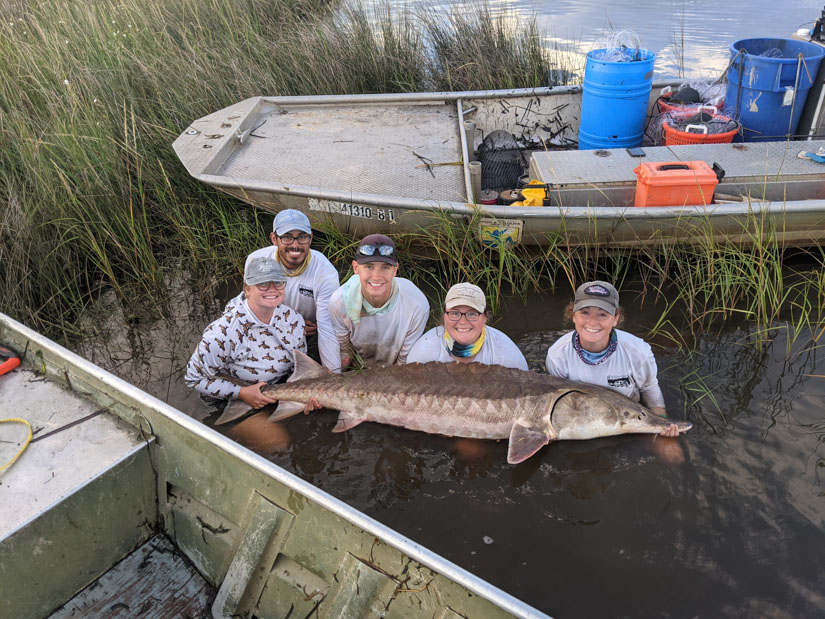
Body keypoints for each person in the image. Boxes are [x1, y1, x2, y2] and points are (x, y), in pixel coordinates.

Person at [544, 280, 684, 437]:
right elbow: (560, 402)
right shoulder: (557, 355)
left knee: (673, 455)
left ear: (616, 319)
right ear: (573, 315)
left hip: (630, 416)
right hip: (583, 418)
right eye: (585, 312)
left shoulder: (639, 351)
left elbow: (648, 387)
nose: (592, 322)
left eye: (602, 314)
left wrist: (661, 421)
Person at [186, 256, 306, 410]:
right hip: (229, 395)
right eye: (262, 284)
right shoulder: (222, 333)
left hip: (276, 389)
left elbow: (300, 366)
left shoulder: (294, 320)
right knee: (274, 435)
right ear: (247, 288)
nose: (272, 289)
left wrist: (304, 396)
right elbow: (193, 378)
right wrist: (242, 393)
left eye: (278, 282)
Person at [226, 209, 340, 371]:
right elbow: (252, 310)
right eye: (287, 237)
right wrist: (287, 326)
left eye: (302, 237)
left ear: (311, 238)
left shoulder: (325, 273)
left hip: (310, 334)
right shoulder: (256, 261)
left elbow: (327, 330)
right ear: (274, 238)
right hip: (270, 326)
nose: (295, 245)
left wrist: (333, 379)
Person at [327, 234, 429, 370]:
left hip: (394, 370)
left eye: (385, 267)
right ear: (356, 268)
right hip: (357, 368)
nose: (376, 276)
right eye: (369, 267)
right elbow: (345, 351)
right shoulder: (338, 302)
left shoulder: (417, 305)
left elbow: (404, 361)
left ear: (395, 270)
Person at [406, 282, 528, 369]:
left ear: (485, 317)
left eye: (472, 314)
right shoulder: (423, 354)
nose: (463, 321)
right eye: (455, 313)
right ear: (444, 316)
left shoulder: (508, 357)